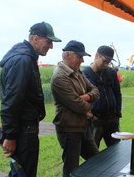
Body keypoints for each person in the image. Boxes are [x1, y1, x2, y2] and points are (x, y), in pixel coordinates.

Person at [0, 21, 61, 177]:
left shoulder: (26, 58)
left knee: (21, 171)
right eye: (48, 41)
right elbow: (12, 100)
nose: (51, 46)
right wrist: (11, 136)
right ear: (35, 38)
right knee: (23, 173)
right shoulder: (23, 60)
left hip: (26, 128)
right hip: (23, 130)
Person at [51, 40, 100, 177]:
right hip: (69, 130)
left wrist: (84, 97)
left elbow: (95, 90)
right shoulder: (60, 77)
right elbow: (78, 106)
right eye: (79, 56)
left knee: (97, 160)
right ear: (67, 55)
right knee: (71, 169)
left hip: (83, 127)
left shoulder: (77, 72)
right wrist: (88, 104)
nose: (82, 60)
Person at [83, 45, 122, 148]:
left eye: (108, 62)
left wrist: (117, 113)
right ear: (97, 56)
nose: (106, 64)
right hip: (96, 120)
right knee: (93, 154)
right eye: (104, 61)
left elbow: (117, 94)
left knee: (116, 150)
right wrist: (90, 115)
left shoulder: (111, 72)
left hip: (112, 119)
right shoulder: (85, 75)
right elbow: (81, 99)